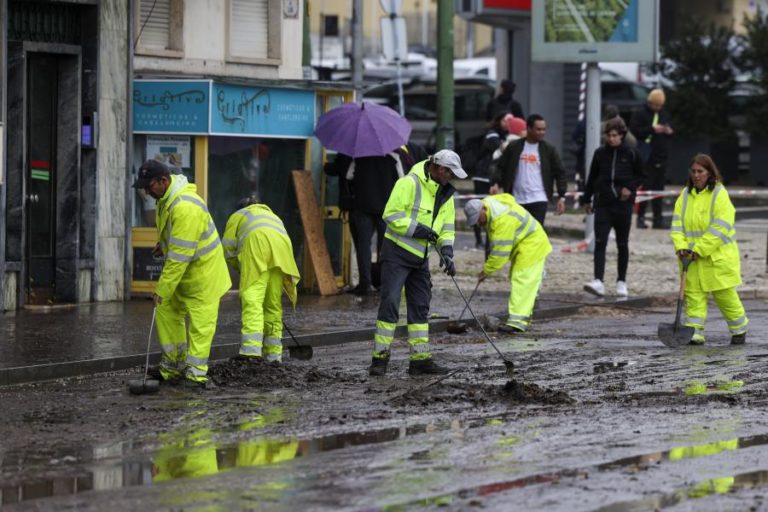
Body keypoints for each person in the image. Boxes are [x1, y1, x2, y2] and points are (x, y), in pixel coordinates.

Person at [133, 159, 231, 390]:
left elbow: (179, 258)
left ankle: (196, 376)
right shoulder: (166, 199)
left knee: (200, 326)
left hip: (204, 277)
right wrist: (164, 244)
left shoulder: (185, 207)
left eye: (148, 186)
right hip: (187, 273)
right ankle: (173, 366)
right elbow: (178, 241)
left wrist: (162, 289)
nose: (146, 192)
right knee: (166, 311)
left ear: (163, 181)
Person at [369, 149, 467, 377]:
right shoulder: (408, 183)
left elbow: (447, 227)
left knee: (420, 308)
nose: (451, 178)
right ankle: (379, 360)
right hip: (396, 255)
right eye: (450, 173)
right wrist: (419, 230)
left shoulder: (445, 194)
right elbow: (391, 215)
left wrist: (447, 251)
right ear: (440, 169)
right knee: (390, 304)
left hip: (420, 259)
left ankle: (420, 361)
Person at [670, 153, 748, 345]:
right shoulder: (685, 196)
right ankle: (694, 332)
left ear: (710, 173)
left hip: (717, 259)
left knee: (725, 296)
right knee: (693, 296)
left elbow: (720, 228)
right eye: (693, 171)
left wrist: (699, 249)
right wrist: (681, 247)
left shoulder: (719, 194)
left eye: (701, 171)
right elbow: (677, 225)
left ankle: (739, 329)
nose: (696, 175)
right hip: (691, 259)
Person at [324, 146, 417, 295]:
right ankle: (385, 283)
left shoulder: (359, 154)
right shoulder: (394, 154)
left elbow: (349, 175)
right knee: (386, 247)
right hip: (387, 208)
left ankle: (365, 283)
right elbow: (403, 178)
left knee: (363, 245)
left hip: (363, 205)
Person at [222, 197, 301, 362]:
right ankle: (274, 356)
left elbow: (228, 248)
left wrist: (241, 268)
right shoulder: (272, 216)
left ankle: (251, 352)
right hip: (281, 254)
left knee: (253, 301)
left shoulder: (238, 215)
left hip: (257, 248)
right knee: (273, 305)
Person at [464, 193, 552, 334]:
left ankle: (517, 323)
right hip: (527, 243)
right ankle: (527, 308)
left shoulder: (502, 220)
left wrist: (486, 271)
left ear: (483, 209)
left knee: (521, 280)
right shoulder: (490, 205)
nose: (479, 224)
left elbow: (500, 253)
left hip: (532, 245)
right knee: (519, 279)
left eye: (478, 219)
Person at [581, 117, 645, 298]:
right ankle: (598, 281)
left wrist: (630, 188)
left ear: (622, 135)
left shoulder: (632, 153)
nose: (611, 139)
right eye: (609, 135)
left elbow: (642, 176)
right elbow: (592, 177)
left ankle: (621, 281)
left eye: (615, 135)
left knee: (622, 244)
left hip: (623, 205)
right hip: (603, 203)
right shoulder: (600, 154)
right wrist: (587, 199)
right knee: (600, 242)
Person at [491, 114, 568, 226]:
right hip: (517, 199)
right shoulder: (514, 147)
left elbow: (560, 173)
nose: (542, 132)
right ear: (529, 128)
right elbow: (501, 167)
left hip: (539, 199)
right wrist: (496, 183)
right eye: (538, 129)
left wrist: (562, 197)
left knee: (535, 232)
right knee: (517, 231)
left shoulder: (549, 150)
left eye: (544, 129)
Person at [630, 89, 674, 229]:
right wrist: (652, 129)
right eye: (655, 105)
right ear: (649, 102)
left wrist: (668, 131)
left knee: (659, 189)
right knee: (645, 187)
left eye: (660, 105)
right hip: (647, 157)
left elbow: (670, 131)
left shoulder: (664, 114)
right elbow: (635, 132)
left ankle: (658, 219)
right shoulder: (640, 114)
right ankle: (640, 217)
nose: (657, 108)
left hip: (661, 156)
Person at [470, 113, 508, 249]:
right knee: (479, 208)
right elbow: (501, 149)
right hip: (483, 176)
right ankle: (479, 240)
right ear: (499, 121)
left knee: (493, 210)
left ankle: (489, 240)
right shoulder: (492, 135)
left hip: (494, 177)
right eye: (506, 120)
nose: (508, 123)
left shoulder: (505, 136)